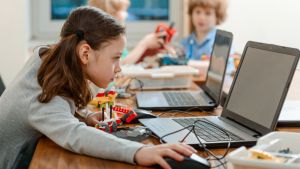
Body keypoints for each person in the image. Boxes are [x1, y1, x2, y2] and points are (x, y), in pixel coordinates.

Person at [0, 7, 196, 169]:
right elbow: (76, 135)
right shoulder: (43, 92)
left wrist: (83, 115)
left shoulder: (48, 60)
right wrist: (139, 152)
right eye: (115, 58)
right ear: (85, 53)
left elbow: (62, 102)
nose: (119, 68)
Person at [89, 0, 166, 64]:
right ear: (108, 14)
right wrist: (144, 44)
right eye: (122, 10)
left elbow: (127, 61)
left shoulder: (115, 37)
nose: (126, 15)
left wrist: (143, 53)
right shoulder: (102, 40)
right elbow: (121, 65)